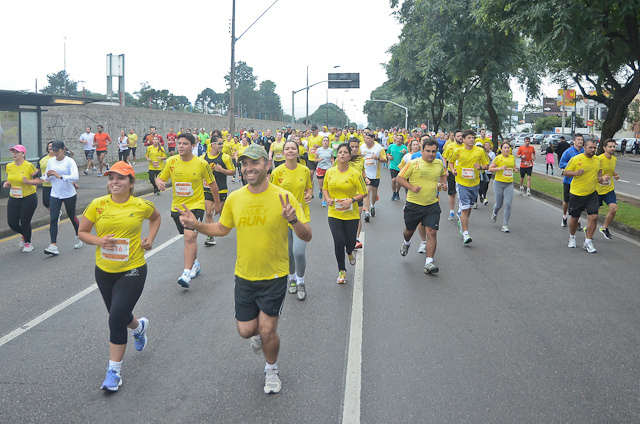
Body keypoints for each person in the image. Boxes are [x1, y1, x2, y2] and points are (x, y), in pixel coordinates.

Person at [177, 144, 311, 394]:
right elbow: (222, 228)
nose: (249, 168)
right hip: (244, 276)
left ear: (267, 165)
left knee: (268, 330)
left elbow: (307, 235)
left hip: (275, 275)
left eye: (255, 163)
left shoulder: (284, 197)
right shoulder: (236, 198)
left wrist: (292, 219)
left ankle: (271, 370)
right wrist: (196, 225)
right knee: (246, 330)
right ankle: (258, 336)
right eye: (245, 164)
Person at [78, 161, 160, 392]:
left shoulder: (141, 204)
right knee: (120, 315)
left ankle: (113, 371)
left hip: (133, 268)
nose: (115, 182)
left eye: (121, 178)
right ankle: (139, 328)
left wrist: (150, 238)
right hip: (104, 271)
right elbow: (82, 232)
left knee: (115, 318)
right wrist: (99, 241)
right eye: (111, 178)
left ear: (131, 183)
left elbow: (156, 217)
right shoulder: (97, 204)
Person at [156, 132, 221, 288]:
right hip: (177, 207)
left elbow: (212, 184)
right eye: (179, 143)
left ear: (193, 146)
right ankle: (195, 263)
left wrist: (217, 203)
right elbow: (160, 177)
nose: (180, 146)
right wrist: (159, 183)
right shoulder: (171, 161)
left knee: (189, 237)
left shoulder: (201, 164)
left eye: (185, 144)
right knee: (188, 238)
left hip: (195, 206)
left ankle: (186, 273)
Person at [395, 138, 447, 274]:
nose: (431, 154)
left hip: (432, 204)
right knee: (409, 231)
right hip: (414, 204)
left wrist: (443, 184)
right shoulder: (413, 163)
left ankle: (429, 262)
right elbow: (399, 178)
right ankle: (406, 243)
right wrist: (411, 187)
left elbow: (443, 174)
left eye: (434, 151)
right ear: (422, 151)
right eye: (428, 151)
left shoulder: (438, 163)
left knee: (432, 232)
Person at [271, 140, 313, 300]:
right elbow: (271, 192)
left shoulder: (304, 170)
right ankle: (292, 279)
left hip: (301, 215)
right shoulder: (277, 171)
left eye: (293, 148)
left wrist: (309, 194)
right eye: (287, 148)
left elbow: (309, 186)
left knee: (298, 252)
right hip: (282, 217)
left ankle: (301, 281)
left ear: (298, 151)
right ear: (283, 152)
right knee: (288, 253)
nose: (290, 151)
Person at [323, 143, 368, 284]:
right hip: (334, 213)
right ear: (337, 155)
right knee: (338, 241)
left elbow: (364, 192)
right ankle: (342, 271)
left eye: (345, 152)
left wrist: (352, 200)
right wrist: (328, 198)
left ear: (349, 156)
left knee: (349, 243)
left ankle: (349, 252)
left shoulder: (355, 173)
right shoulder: (330, 172)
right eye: (340, 152)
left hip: (351, 214)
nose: (342, 154)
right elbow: (325, 188)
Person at [40, 140, 82, 255]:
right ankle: (53, 245)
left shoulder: (69, 161)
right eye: (53, 150)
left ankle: (79, 235)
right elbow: (45, 178)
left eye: (57, 150)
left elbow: (75, 177)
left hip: (69, 194)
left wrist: (60, 176)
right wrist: (47, 176)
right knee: (53, 219)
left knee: (71, 216)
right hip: (55, 194)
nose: (54, 152)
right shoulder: (51, 161)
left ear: (63, 149)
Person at [448, 130, 489, 244]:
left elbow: (487, 165)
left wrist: (480, 167)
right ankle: (466, 233)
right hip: (461, 182)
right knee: (465, 207)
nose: (471, 139)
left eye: (473, 138)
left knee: (469, 207)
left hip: (474, 183)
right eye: (469, 138)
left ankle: (462, 221)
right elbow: (450, 162)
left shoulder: (480, 151)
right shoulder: (457, 151)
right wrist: (453, 170)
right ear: (464, 139)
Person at [563, 138, 602, 253]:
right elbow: (565, 172)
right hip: (577, 193)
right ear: (584, 147)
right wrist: (576, 173)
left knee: (593, 216)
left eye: (595, 147)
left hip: (592, 193)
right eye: (590, 147)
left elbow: (599, 171)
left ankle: (588, 241)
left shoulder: (597, 160)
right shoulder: (576, 159)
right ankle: (572, 237)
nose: (593, 150)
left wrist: (600, 178)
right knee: (575, 218)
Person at [201, 135, 235, 246]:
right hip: (207, 189)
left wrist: (222, 170)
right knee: (209, 212)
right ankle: (210, 237)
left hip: (221, 189)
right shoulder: (203, 158)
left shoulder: (225, 157)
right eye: (220, 143)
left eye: (222, 143)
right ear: (213, 145)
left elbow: (233, 171)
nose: (222, 146)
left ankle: (230, 225)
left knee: (221, 212)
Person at [4, 145, 39, 252]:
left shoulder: (29, 166)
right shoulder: (9, 166)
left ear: (23, 154)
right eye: (13, 152)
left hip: (28, 197)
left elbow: (39, 180)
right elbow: (10, 180)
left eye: (17, 152)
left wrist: (29, 182)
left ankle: (28, 242)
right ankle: (25, 234)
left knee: (24, 221)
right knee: (12, 223)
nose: (14, 154)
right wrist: (7, 184)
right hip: (14, 197)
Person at [489, 142, 518, 233]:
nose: (506, 149)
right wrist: (499, 168)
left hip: (509, 183)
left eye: (508, 148)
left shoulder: (512, 157)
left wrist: (515, 169)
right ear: (501, 150)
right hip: (498, 183)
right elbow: (490, 169)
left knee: (508, 204)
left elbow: (514, 166)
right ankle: (495, 212)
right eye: (505, 148)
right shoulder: (498, 158)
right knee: (499, 204)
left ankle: (505, 225)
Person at [360, 132, 387, 222]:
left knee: (374, 193)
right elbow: (357, 156)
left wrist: (377, 158)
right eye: (365, 138)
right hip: (365, 173)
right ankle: (367, 212)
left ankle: (372, 205)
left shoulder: (379, 148)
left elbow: (385, 160)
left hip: (375, 174)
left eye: (367, 138)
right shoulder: (362, 147)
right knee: (367, 192)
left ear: (372, 139)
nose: (365, 140)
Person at [559, 134, 585, 228]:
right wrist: (573, 165)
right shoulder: (568, 152)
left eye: (581, 140)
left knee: (577, 202)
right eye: (578, 139)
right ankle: (564, 217)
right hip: (569, 180)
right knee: (567, 200)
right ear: (574, 141)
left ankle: (576, 221)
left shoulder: (584, 152)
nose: (580, 141)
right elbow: (561, 164)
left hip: (580, 181)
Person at [597, 139, 619, 240]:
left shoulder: (614, 159)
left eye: (613, 146)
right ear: (604, 148)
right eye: (610, 146)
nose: (612, 148)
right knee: (593, 213)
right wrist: (601, 178)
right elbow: (593, 173)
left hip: (609, 189)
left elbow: (611, 170)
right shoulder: (598, 159)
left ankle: (604, 227)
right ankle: (588, 228)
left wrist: (615, 175)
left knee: (613, 209)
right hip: (597, 190)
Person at [442, 130, 464, 220]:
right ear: (454, 137)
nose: (460, 137)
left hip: (463, 173)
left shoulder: (466, 146)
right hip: (452, 172)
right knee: (452, 193)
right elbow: (444, 157)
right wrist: (445, 169)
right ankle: (451, 212)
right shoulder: (450, 146)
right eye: (458, 136)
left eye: (461, 136)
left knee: (462, 193)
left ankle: (460, 211)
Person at [314, 136, 334, 207]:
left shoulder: (331, 150)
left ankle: (324, 201)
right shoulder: (319, 150)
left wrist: (333, 164)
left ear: (328, 142)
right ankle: (320, 191)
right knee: (321, 186)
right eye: (324, 140)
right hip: (320, 168)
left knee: (325, 186)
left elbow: (332, 158)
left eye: (326, 141)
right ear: (322, 142)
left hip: (328, 169)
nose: (325, 142)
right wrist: (319, 160)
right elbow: (315, 160)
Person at [388, 134, 408, 201]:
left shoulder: (404, 148)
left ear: (402, 140)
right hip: (393, 166)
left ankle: (397, 192)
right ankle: (394, 192)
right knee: (394, 180)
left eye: (400, 139)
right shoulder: (391, 146)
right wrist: (389, 157)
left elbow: (407, 156)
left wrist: (405, 153)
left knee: (399, 181)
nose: (398, 140)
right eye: (398, 138)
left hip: (401, 167)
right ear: (395, 139)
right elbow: (388, 153)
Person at [306, 125, 324, 198]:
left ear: (317, 130)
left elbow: (325, 147)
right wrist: (307, 151)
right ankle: (312, 192)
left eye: (314, 130)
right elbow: (308, 147)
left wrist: (319, 147)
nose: (312, 131)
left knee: (321, 177)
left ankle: (321, 189)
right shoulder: (309, 138)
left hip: (319, 159)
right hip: (311, 158)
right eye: (312, 130)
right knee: (310, 174)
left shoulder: (321, 138)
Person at [37, 141, 55, 210]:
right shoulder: (43, 158)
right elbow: (38, 169)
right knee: (46, 203)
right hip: (46, 184)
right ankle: (56, 212)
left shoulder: (58, 158)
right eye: (49, 146)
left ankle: (54, 215)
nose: (51, 147)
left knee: (55, 202)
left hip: (56, 184)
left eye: (53, 146)